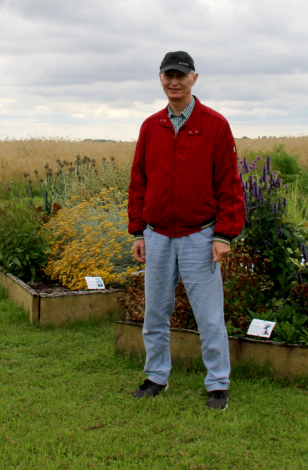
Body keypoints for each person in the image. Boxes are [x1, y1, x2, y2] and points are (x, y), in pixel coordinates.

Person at [127, 51, 245, 410]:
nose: (173, 82)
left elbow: (229, 183)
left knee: (209, 316)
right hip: (158, 236)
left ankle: (217, 384)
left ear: (195, 78)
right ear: (161, 79)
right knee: (155, 313)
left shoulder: (214, 125)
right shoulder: (151, 127)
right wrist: (137, 232)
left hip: (200, 236)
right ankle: (156, 376)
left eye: (180, 75)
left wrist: (224, 234)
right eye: (168, 76)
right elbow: (138, 182)